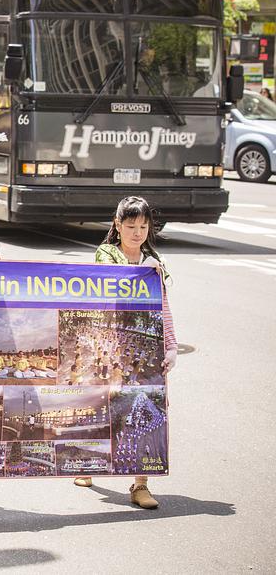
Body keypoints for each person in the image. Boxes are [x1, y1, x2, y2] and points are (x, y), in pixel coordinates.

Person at [74, 195, 178, 510]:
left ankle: (140, 483)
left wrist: (171, 346)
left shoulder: (153, 260)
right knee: (103, 407)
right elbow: (111, 281)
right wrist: (144, 271)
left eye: (143, 226)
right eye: (131, 225)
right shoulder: (107, 253)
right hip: (108, 346)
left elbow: (162, 307)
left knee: (147, 412)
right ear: (117, 225)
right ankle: (87, 462)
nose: (137, 232)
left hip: (144, 350)